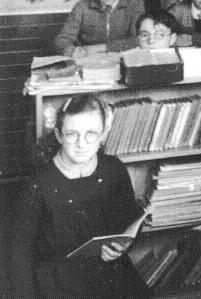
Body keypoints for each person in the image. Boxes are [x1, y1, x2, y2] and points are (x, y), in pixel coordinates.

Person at [11, 94, 148, 298]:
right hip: (58, 283)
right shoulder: (37, 184)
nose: (82, 144)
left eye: (91, 134)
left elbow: (128, 223)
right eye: (72, 134)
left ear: (103, 135)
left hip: (109, 273)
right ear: (58, 135)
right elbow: (18, 254)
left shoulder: (114, 170)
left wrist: (121, 248)